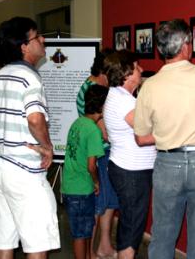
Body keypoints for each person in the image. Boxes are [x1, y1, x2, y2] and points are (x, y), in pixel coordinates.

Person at [134, 19, 195, 259]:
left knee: (163, 236)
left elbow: (141, 137)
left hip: (168, 165)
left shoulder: (149, 86)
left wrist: (170, 133)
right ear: (187, 46)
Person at [0, 17, 60, 258]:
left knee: (4, 240)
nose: (43, 40)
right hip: (24, 171)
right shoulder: (29, 77)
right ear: (24, 46)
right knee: (36, 244)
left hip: (2, 167)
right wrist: (47, 146)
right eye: (37, 36)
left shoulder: (0, 75)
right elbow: (35, 119)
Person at [103, 50, 156, 259]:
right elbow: (146, 133)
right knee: (133, 223)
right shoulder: (124, 101)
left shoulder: (121, 97)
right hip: (131, 172)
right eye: (136, 67)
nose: (141, 70)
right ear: (125, 73)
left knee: (130, 220)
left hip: (129, 169)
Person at [76, 48, 119, 259]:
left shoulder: (102, 85)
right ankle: (91, 252)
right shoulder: (93, 90)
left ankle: (104, 245)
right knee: (97, 204)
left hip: (108, 154)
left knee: (109, 202)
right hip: (98, 154)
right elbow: (104, 132)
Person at [62, 85, 109, 259]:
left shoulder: (78, 123)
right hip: (81, 189)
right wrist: (96, 182)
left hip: (70, 186)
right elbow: (91, 166)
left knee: (85, 230)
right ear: (102, 106)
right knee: (81, 235)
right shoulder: (93, 131)